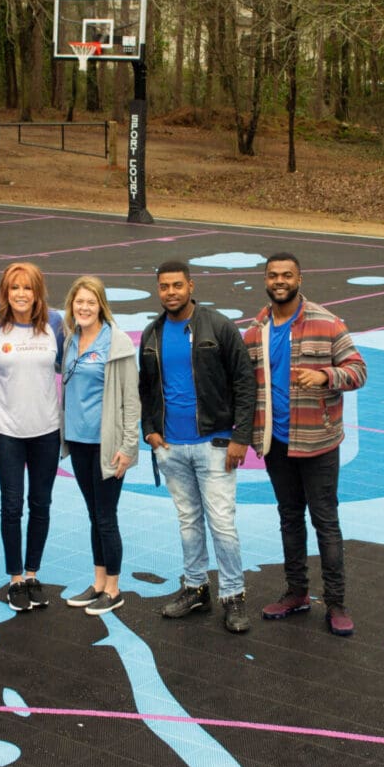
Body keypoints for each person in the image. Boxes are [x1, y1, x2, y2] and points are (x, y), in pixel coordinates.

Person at [243, 252, 367, 636]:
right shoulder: (256, 329)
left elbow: (358, 370)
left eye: (287, 275)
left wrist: (325, 376)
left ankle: (336, 603)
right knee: (289, 518)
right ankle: (296, 592)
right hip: (276, 443)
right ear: (266, 280)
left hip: (318, 443)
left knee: (325, 522)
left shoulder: (327, 323)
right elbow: (244, 382)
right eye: (273, 275)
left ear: (299, 278)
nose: (280, 280)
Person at [138, 259, 255, 634]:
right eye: (164, 287)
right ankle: (195, 587)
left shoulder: (217, 326)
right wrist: (150, 431)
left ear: (191, 286)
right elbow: (146, 388)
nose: (170, 292)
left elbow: (244, 382)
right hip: (172, 447)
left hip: (214, 445)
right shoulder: (152, 334)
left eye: (177, 285)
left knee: (222, 524)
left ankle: (233, 596)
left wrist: (240, 437)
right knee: (188, 522)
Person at [0, 262, 65, 611]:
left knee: (40, 505)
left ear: (37, 292)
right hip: (8, 433)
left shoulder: (55, 325)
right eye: (14, 288)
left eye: (27, 288)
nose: (21, 294)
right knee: (11, 506)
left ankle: (32, 574)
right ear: (5, 291)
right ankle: (15, 579)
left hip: (46, 431)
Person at [60, 276, 140, 616]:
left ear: (101, 306)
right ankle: (97, 584)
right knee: (94, 515)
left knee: (106, 517)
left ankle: (114, 588)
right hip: (78, 442)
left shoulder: (116, 343)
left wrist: (128, 446)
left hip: (107, 444)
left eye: (91, 302)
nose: (84, 307)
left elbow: (131, 400)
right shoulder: (71, 340)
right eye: (79, 302)